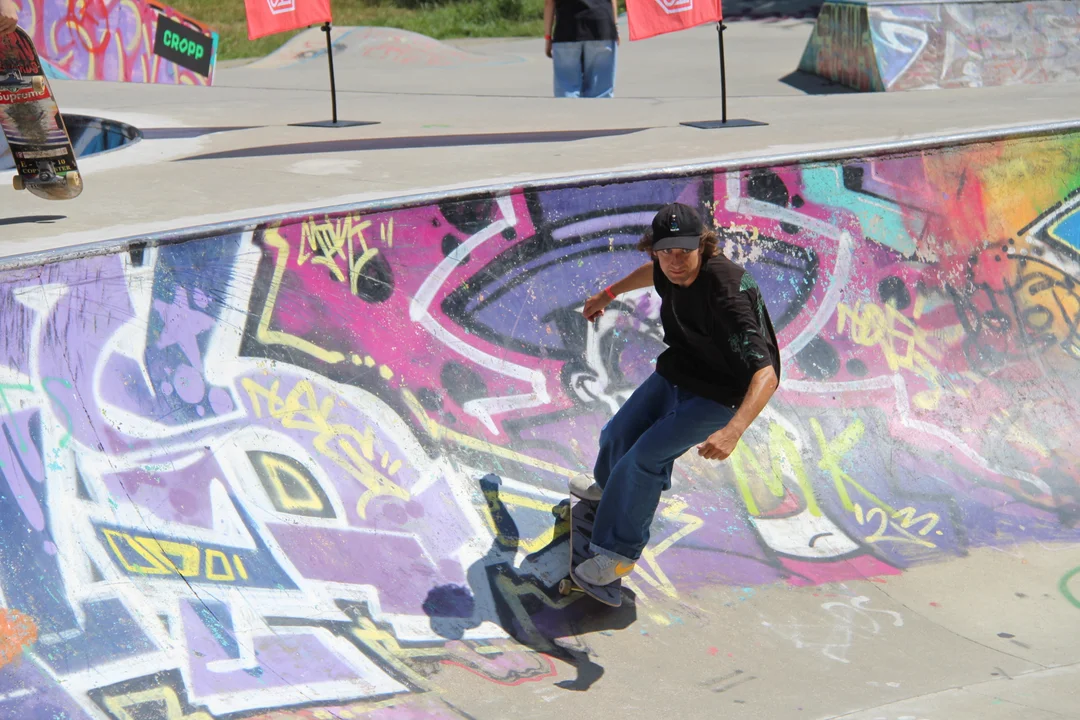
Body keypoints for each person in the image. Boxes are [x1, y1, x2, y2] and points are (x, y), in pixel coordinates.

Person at [570, 202, 781, 588]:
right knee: (618, 434)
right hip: (681, 370)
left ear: (704, 246)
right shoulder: (666, 267)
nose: (675, 262)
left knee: (644, 460)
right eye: (666, 252)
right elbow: (651, 274)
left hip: (721, 394)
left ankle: (618, 556)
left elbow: (766, 375)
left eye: (684, 252)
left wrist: (733, 431)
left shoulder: (727, 295)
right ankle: (609, 490)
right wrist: (607, 293)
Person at [543, 0, 619, 98]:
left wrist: (548, 37)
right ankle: (599, 112)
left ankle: (569, 111)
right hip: (601, 26)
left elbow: (549, 3)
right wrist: (616, 28)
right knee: (601, 90)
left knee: (567, 86)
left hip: (567, 28)